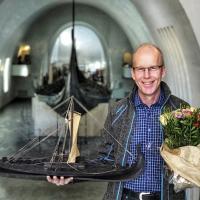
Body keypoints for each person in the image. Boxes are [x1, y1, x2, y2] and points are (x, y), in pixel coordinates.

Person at [47, 43, 189, 200]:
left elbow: (191, 161)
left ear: (163, 71)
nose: (147, 75)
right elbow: (105, 160)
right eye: (141, 69)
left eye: (153, 68)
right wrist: (72, 174)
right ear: (133, 74)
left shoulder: (181, 110)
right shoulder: (117, 111)